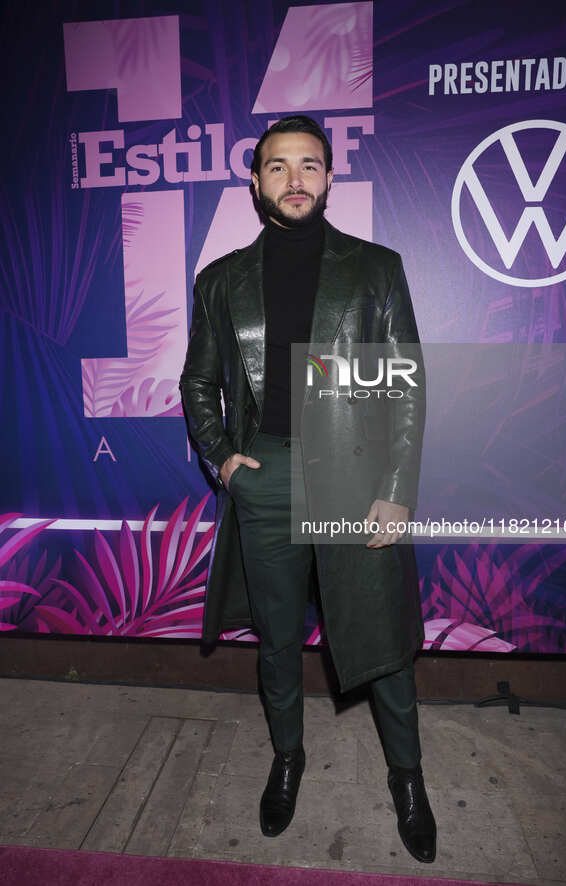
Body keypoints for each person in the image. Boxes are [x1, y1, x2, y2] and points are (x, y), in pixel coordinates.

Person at [179, 115, 436, 863]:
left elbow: (405, 385)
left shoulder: (375, 268)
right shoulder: (221, 279)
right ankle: (286, 759)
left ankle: (408, 779)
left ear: (329, 178)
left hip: (357, 479)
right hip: (264, 476)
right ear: (255, 181)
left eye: (310, 166)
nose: (295, 179)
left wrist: (395, 486)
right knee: (277, 640)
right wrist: (224, 458)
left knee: (380, 639)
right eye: (278, 167)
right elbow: (198, 381)